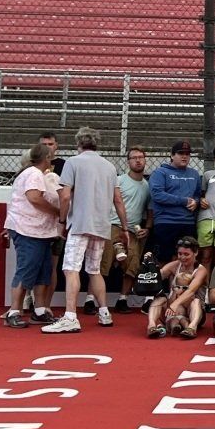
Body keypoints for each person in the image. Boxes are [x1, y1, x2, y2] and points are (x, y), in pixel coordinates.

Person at [43, 127, 129, 334]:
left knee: (71, 268)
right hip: (101, 225)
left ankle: (71, 316)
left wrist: (62, 220)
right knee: (94, 269)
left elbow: (64, 196)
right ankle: (105, 312)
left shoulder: (73, 162)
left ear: (78, 143)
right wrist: (125, 227)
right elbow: (118, 200)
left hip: (80, 223)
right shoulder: (109, 166)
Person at [2, 140, 62, 328]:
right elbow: (34, 198)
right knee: (27, 268)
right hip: (28, 229)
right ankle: (14, 311)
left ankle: (40, 309)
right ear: (46, 158)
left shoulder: (29, 173)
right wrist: (56, 211)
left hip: (38, 230)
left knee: (43, 270)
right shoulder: (34, 174)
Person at [110, 145, 153, 307]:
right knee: (104, 262)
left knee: (133, 263)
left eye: (140, 157)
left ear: (145, 160)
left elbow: (150, 212)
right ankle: (91, 300)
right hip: (113, 225)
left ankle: (123, 299)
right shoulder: (119, 181)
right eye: (134, 157)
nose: (138, 160)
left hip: (134, 231)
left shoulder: (148, 186)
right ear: (128, 161)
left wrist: (147, 228)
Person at [147, 140, 203, 264]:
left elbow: (197, 195)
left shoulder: (194, 174)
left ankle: (181, 284)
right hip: (166, 222)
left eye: (187, 154)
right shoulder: (160, 173)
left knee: (186, 261)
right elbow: (157, 195)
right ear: (172, 155)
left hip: (187, 223)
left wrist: (196, 202)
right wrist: (184, 201)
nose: (184, 156)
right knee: (163, 260)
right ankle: (161, 284)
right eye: (180, 153)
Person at [147, 236, 207, 339]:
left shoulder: (201, 271)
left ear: (195, 253)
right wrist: (149, 265)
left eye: (186, 254)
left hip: (192, 311)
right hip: (171, 311)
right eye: (180, 254)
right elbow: (156, 277)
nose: (182, 257)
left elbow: (191, 291)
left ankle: (191, 328)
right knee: (160, 298)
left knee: (195, 301)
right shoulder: (174, 265)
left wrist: (175, 304)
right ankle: (151, 325)